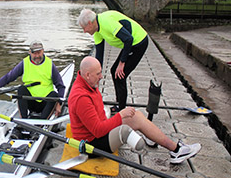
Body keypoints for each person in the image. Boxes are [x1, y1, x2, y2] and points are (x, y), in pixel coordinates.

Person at [68, 56, 201, 164]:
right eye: (98, 74)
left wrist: (121, 116)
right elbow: (97, 131)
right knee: (128, 126)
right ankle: (174, 149)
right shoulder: (81, 97)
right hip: (91, 145)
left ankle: (172, 148)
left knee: (135, 115)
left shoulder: (89, 82)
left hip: (98, 133)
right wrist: (120, 115)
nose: (101, 76)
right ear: (87, 75)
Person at [78, 9, 149, 114]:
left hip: (138, 42)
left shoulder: (106, 22)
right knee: (113, 71)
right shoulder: (97, 31)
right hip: (129, 44)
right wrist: (96, 75)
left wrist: (122, 62)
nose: (84, 31)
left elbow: (128, 39)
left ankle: (122, 108)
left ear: (90, 23)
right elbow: (99, 57)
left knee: (120, 74)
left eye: (84, 28)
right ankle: (119, 104)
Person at [0, 41, 65, 120]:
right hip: (31, 102)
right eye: (34, 53)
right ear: (29, 52)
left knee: (54, 94)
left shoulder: (50, 64)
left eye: (39, 52)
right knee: (21, 89)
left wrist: (59, 103)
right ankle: (24, 120)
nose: (37, 56)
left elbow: (61, 86)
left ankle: (42, 122)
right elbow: (8, 78)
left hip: (46, 103)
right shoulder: (24, 63)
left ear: (43, 51)